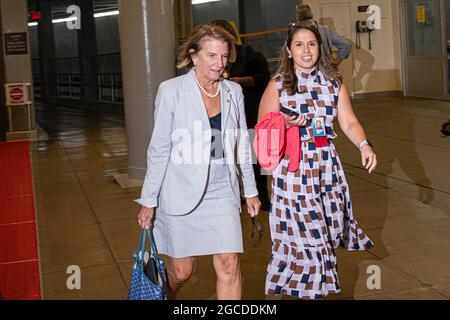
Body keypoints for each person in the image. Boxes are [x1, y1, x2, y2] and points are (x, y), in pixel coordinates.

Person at [136, 23, 261, 300]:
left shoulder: (233, 92)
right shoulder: (171, 91)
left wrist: (250, 190)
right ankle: (165, 294)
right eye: (211, 56)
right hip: (180, 190)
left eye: (224, 56)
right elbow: (159, 148)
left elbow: (241, 144)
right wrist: (149, 198)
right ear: (193, 56)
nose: (220, 64)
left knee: (229, 264)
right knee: (182, 270)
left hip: (222, 190)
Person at [257, 20, 376, 299]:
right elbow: (263, 127)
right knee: (311, 238)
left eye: (311, 44)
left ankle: (307, 289)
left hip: (327, 166)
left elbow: (348, 122)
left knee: (328, 232)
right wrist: (285, 124)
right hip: (294, 169)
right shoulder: (278, 85)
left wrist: (364, 144)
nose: (306, 50)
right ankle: (313, 292)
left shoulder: (333, 84)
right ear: (288, 50)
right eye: (299, 44)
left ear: (320, 48)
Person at [210, 19, 272, 211]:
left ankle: (261, 197)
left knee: (253, 160)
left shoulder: (249, 55)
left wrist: (239, 81)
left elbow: (264, 79)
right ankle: (225, 198)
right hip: (219, 117)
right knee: (218, 157)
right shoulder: (213, 58)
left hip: (249, 114)